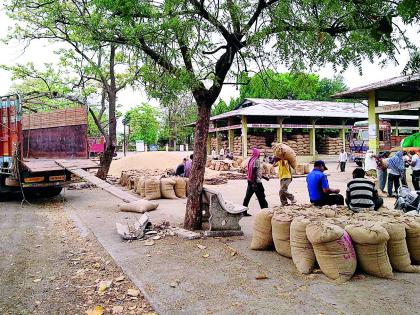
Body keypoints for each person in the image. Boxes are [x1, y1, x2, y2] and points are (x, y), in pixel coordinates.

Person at [242, 148, 268, 215]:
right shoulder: (257, 160)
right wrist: (255, 183)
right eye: (259, 153)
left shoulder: (251, 160)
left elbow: (254, 171)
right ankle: (265, 213)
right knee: (262, 197)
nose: (259, 155)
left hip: (250, 180)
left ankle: (244, 212)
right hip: (256, 182)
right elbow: (254, 170)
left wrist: (264, 177)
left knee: (247, 197)